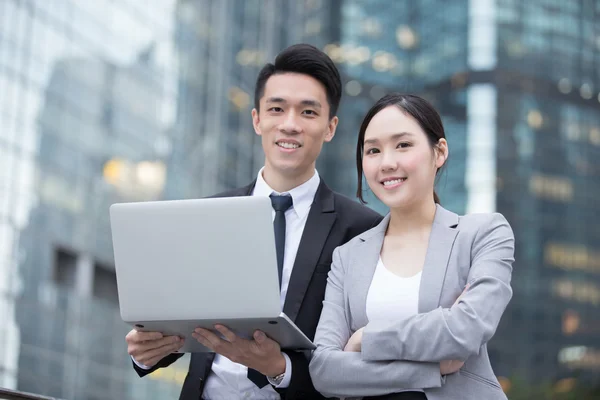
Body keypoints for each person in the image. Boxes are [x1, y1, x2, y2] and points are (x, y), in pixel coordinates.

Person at [124, 43, 382, 400]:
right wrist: (147, 353)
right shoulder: (207, 214)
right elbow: (183, 321)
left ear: (330, 127)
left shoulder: (362, 229)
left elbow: (361, 363)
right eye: (277, 109)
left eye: (308, 112)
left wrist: (280, 368)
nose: (290, 125)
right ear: (257, 120)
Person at [309, 93, 514, 400]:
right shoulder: (347, 257)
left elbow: (463, 332)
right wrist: (429, 370)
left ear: (439, 151)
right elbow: (324, 370)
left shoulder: (483, 234)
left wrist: (366, 338)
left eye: (403, 145)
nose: (387, 162)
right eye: (373, 150)